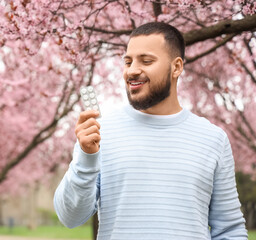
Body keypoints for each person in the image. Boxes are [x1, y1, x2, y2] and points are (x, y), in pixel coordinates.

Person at [53, 22, 248, 239]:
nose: (132, 70)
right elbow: (69, 217)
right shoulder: (98, 134)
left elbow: (230, 229)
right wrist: (86, 159)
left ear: (176, 67)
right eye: (128, 61)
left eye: (146, 61)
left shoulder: (214, 140)